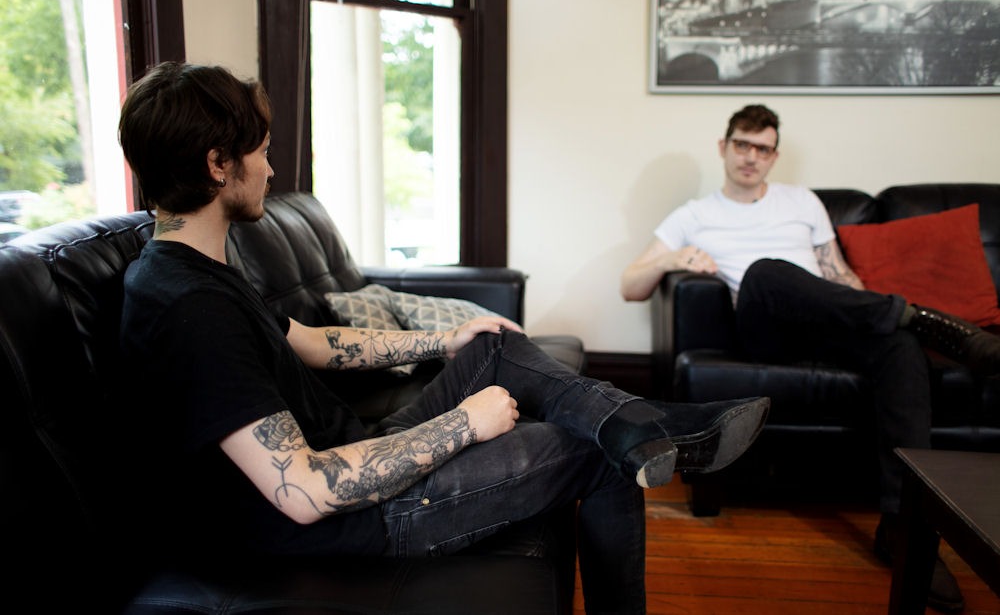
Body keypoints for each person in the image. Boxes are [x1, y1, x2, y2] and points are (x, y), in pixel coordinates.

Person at [116, 61, 770, 615]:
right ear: (217, 164)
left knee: (489, 343)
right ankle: (658, 434)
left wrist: (444, 339)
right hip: (353, 519)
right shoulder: (188, 308)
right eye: (258, 149)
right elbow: (308, 490)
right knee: (591, 449)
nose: (268, 164)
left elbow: (313, 342)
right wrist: (463, 422)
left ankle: (645, 427)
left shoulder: (196, 268)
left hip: (357, 450)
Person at [621, 103, 1000, 613]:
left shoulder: (802, 202)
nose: (751, 157)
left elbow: (838, 273)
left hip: (825, 321)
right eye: (742, 145)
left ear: (774, 155)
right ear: (724, 147)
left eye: (763, 148)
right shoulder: (695, 214)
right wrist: (674, 257)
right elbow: (630, 286)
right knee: (767, 271)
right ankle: (920, 316)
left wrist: (865, 313)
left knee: (899, 345)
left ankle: (903, 526)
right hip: (764, 326)